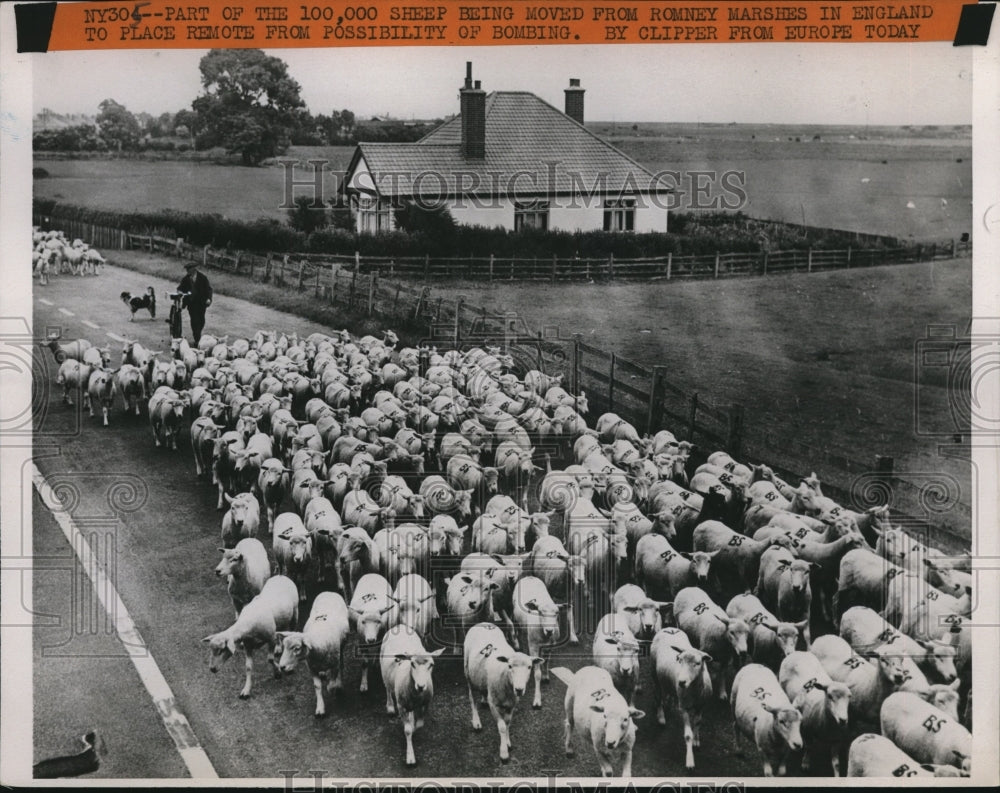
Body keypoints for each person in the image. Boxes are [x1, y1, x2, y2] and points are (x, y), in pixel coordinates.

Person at [176, 261, 213, 345]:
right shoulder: (186, 279)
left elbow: (209, 289)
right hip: (191, 304)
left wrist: (209, 299)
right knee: (194, 320)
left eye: (189, 269)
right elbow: (180, 288)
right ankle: (197, 339)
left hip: (201, 303)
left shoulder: (203, 278)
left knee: (201, 320)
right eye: (187, 269)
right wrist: (179, 292)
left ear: (194, 269)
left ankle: (198, 333)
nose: (187, 271)